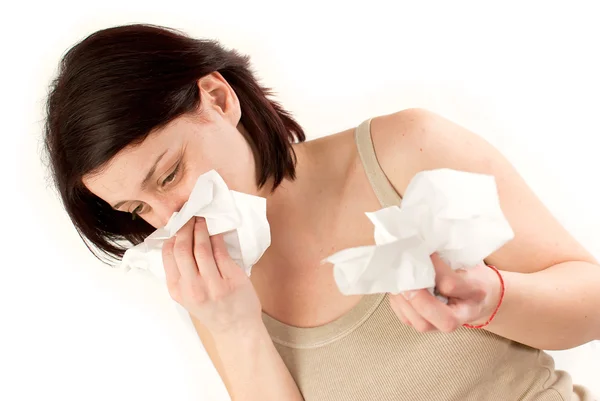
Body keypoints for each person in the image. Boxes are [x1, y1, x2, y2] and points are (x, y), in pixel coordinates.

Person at [43, 24, 599, 401]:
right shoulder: (210, 283)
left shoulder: (405, 151)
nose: (172, 217)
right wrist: (234, 326)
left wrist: (493, 297)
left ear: (217, 98)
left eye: (168, 175)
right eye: (139, 207)